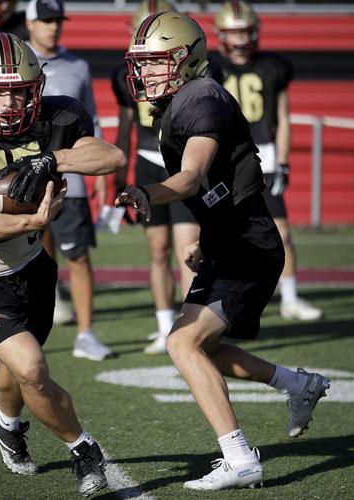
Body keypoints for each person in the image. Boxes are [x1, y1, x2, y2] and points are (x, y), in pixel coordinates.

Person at [116, 12, 329, 490]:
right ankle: (299, 384)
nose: (144, 73)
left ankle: (239, 457)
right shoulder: (179, 102)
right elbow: (215, 190)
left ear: (185, 60)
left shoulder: (201, 98)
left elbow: (191, 178)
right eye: (141, 63)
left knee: (181, 343)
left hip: (249, 244)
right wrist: (205, 240)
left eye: (155, 63)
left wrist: (148, 191)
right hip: (230, 240)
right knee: (202, 347)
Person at [0, 33, 125, 496]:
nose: (9, 103)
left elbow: (113, 155)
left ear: (37, 88)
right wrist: (33, 218)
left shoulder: (60, 115)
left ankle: (6, 424)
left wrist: (53, 156)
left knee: (15, 372)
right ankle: (85, 451)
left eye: (19, 91)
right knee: (31, 366)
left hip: (34, 268)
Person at [210, 0, 322, 321]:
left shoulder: (273, 66)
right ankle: (225, 300)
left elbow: (283, 119)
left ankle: (290, 298)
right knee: (223, 236)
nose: (240, 39)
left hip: (266, 156)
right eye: (233, 33)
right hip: (228, 159)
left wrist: (283, 162)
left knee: (282, 233)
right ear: (221, 36)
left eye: (245, 31)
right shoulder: (212, 69)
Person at [111, 0, 201, 355]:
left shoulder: (193, 73)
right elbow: (125, 126)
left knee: (187, 250)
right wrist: (118, 175)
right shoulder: (127, 75)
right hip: (148, 161)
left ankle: (192, 327)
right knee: (157, 249)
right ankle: (165, 324)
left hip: (181, 164)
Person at [25, 0, 112, 361]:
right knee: (30, 258)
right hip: (25, 176)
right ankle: (26, 332)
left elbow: (91, 121)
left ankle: (86, 334)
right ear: (30, 24)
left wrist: (103, 173)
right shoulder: (15, 62)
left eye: (57, 20)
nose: (53, 27)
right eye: (46, 21)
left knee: (78, 256)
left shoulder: (78, 65)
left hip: (69, 177)